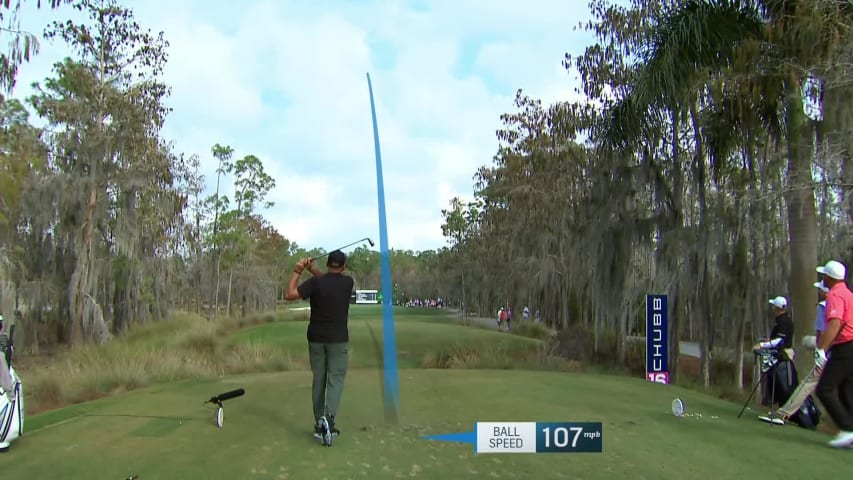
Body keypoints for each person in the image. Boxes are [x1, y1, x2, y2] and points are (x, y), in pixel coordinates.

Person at [284, 250, 354, 443]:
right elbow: (330, 281)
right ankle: (329, 420)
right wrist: (310, 269)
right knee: (335, 379)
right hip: (338, 340)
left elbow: (289, 294)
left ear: (327, 264)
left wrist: (298, 271)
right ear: (343, 266)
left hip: (316, 338)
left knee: (319, 379)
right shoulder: (347, 283)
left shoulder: (316, 283)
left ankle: (319, 423)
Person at [758, 280, 829, 425]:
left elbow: (824, 333)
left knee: (806, 385)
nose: (819, 293)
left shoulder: (824, 306)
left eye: (821, 290)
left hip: (828, 355)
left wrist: (818, 348)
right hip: (837, 354)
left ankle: (783, 415)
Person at [814, 260, 853, 448]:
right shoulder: (848, 293)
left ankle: (847, 429)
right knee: (847, 391)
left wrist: (821, 348)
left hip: (846, 346)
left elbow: (835, 324)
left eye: (824, 276)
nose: (823, 278)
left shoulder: (835, 295)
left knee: (825, 388)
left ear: (830, 278)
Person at [752, 296, 797, 409]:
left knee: (781, 383)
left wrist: (761, 345)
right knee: (773, 380)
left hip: (784, 355)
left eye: (773, 306)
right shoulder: (782, 320)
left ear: (776, 308)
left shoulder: (784, 321)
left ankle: (778, 407)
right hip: (780, 353)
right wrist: (769, 341)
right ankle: (772, 404)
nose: (772, 308)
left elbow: (779, 341)